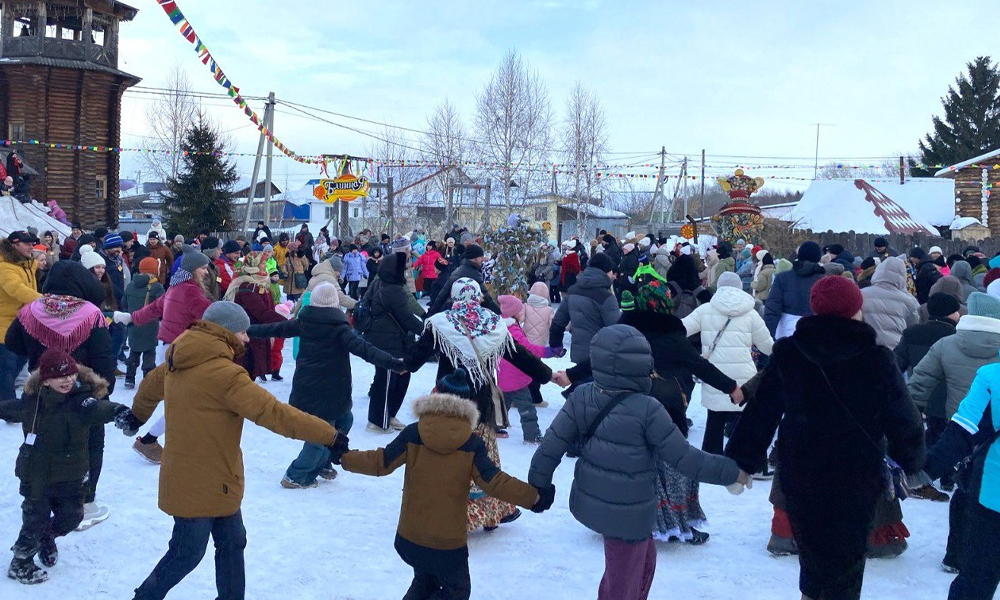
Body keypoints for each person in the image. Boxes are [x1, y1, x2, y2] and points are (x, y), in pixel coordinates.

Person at [121, 301, 342, 600]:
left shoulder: (179, 356)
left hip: (215, 476)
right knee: (187, 552)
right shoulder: (225, 374)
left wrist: (136, 417)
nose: (247, 338)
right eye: (243, 332)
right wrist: (328, 435)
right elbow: (274, 413)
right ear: (225, 332)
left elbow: (150, 385)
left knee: (233, 541)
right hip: (199, 481)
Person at [726, 275, 925, 600]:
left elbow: (761, 412)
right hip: (856, 475)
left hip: (801, 472)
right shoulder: (876, 358)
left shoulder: (790, 353)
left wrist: (742, 462)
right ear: (856, 308)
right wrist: (912, 459)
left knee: (812, 554)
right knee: (847, 561)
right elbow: (904, 419)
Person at [530, 324, 748, 600]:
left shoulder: (583, 396)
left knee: (641, 563)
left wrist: (539, 485)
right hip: (630, 511)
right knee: (623, 581)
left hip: (595, 500)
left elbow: (551, 445)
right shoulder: (647, 409)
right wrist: (731, 471)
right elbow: (685, 459)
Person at [339, 370, 551, 600]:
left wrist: (343, 457)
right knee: (457, 591)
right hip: (447, 546)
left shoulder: (414, 433)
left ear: (435, 394)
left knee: (424, 581)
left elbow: (380, 462)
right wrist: (534, 497)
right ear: (468, 405)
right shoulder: (471, 443)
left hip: (410, 538)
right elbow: (495, 482)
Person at [406, 278, 552, 530]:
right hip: (480, 405)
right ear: (478, 297)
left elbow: (416, 358)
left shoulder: (441, 324)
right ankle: (491, 513)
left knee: (447, 456)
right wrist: (547, 375)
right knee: (484, 460)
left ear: (454, 297)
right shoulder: (492, 324)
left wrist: (401, 365)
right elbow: (518, 354)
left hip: (448, 402)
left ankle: (446, 510)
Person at [246, 283, 404, 488]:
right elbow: (366, 349)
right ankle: (296, 475)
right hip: (327, 392)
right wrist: (394, 363)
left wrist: (247, 330)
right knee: (320, 435)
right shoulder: (339, 329)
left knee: (345, 421)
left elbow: (273, 329)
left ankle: (322, 463)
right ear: (335, 305)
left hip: (313, 389)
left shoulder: (305, 322)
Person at [0, 349, 134, 584]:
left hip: (71, 474)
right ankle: (20, 562)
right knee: (35, 520)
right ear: (45, 380)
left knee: (72, 517)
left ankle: (47, 537)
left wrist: (118, 412)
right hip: (37, 474)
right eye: (60, 376)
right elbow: (9, 408)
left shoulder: (81, 400)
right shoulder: (33, 402)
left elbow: (98, 408)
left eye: (71, 374)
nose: (68, 380)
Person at [6, 258, 116, 529]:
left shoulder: (31, 310)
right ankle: (83, 503)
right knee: (88, 446)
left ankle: (42, 500)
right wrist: (104, 392)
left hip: (40, 393)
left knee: (41, 446)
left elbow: (12, 342)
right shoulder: (91, 314)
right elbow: (104, 358)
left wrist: (38, 353)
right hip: (81, 394)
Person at [906, 292, 1000, 572]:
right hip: (993, 432)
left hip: (959, 427)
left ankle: (955, 556)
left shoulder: (945, 344)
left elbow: (919, 383)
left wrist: (908, 418)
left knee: (965, 489)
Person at [915, 367, 1000, 599]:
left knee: (977, 578)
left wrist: (923, 470)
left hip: (993, 496)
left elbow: (962, 433)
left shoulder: (992, 378)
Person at [683, 271, 773, 455]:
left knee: (714, 423)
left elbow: (681, 329)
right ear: (739, 288)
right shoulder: (751, 313)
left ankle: (712, 460)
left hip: (714, 377)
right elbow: (767, 346)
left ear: (719, 287)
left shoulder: (705, 310)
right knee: (744, 426)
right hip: (743, 380)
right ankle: (743, 461)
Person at [894, 292, 960, 502]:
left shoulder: (912, 333)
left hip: (925, 395)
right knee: (951, 436)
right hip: (951, 395)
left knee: (932, 433)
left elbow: (897, 363)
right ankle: (948, 475)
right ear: (950, 313)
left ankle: (926, 476)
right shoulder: (957, 335)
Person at [364, 251, 426, 433]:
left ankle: (389, 415)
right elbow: (406, 317)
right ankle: (378, 422)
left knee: (397, 377)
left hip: (381, 339)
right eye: (403, 265)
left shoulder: (380, 282)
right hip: (390, 342)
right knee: (388, 380)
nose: (406, 268)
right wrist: (427, 330)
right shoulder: (394, 289)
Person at [497, 295, 560, 444]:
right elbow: (528, 349)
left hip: (502, 376)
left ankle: (495, 427)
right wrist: (548, 352)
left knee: (501, 406)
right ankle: (532, 435)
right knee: (527, 409)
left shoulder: (500, 326)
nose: (522, 312)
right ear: (514, 313)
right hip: (517, 377)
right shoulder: (513, 330)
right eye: (520, 310)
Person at [548, 252, 620, 367]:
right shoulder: (606, 297)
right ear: (606, 271)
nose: (614, 276)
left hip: (578, 355)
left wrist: (555, 345)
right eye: (612, 272)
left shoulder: (573, 291)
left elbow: (558, 322)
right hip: (602, 357)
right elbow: (617, 329)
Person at [223, 251, 285, 383]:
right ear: (254, 265)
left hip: (259, 334)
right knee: (247, 371)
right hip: (249, 337)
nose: (265, 266)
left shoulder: (260, 283)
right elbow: (261, 312)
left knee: (252, 372)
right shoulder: (247, 287)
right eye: (262, 263)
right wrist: (285, 321)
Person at [1, 231, 40, 404]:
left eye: (32, 243)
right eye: (27, 243)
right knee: (7, 371)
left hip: (22, 324)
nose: (31, 247)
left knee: (19, 364)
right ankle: (7, 406)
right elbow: (16, 289)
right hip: (4, 325)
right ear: (14, 245)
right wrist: (43, 300)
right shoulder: (5, 267)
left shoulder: (26, 265)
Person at [764, 241, 826, 339]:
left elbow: (772, 308)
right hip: (816, 333)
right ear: (818, 257)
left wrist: (768, 336)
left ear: (799, 255)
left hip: (785, 332)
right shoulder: (825, 281)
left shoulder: (782, 278)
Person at [122, 258, 165, 391]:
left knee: (134, 350)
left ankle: (129, 377)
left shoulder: (131, 285)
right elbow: (163, 305)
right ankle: (148, 378)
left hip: (133, 324)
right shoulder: (157, 287)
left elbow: (124, 303)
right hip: (150, 325)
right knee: (149, 352)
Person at [860, 256, 919, 348]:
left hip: (867, 347)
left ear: (877, 272)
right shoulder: (909, 301)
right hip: (895, 348)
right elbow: (914, 326)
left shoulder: (861, 294)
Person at [427, 244, 500, 316]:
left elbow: (441, 296)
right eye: (481, 256)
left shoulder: (457, 271)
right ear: (474, 258)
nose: (483, 259)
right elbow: (487, 298)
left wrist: (432, 313)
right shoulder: (473, 274)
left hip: (453, 313)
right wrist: (500, 314)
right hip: (467, 314)